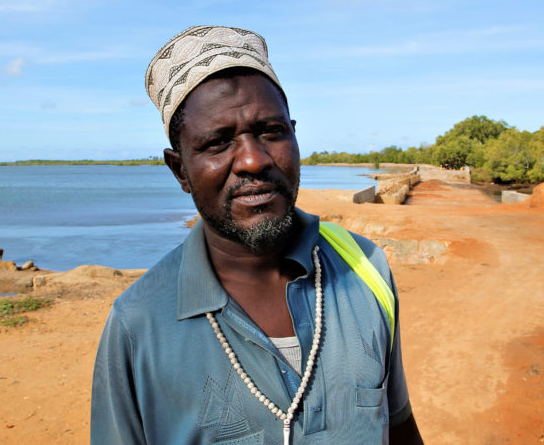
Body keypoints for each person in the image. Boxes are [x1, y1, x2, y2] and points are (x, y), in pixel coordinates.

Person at [91, 26, 424, 444]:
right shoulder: (137, 324)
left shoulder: (366, 269)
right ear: (180, 171)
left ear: (294, 133)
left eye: (270, 131)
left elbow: (398, 427)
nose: (252, 159)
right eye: (217, 142)